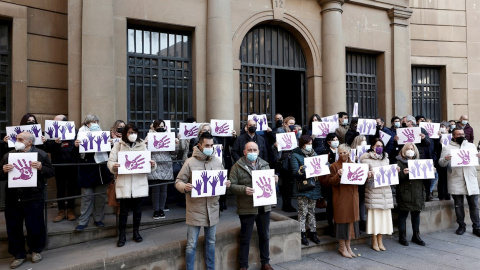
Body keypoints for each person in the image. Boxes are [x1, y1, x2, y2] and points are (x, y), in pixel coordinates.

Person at [175, 132, 229, 270]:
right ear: (199, 145)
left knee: (211, 242)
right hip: (195, 209)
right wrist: (184, 187)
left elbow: (221, 180)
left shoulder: (217, 161)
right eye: (207, 145)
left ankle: (210, 268)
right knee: (191, 244)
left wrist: (226, 183)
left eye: (212, 145)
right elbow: (178, 181)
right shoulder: (190, 162)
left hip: (213, 209)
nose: (210, 147)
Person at [0, 132, 55, 268]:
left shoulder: (41, 154)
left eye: (20, 139)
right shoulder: (9, 155)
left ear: (29, 142)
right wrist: (3, 170)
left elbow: (51, 172)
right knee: (13, 227)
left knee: (35, 225)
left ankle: (35, 251)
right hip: (13, 197)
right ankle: (18, 254)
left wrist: (41, 167)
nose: (16, 141)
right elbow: (0, 175)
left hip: (34, 196)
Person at [229, 141, 277, 270]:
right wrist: (243, 189)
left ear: (259, 151)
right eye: (249, 150)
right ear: (244, 152)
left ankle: (265, 263)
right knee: (245, 237)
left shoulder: (265, 165)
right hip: (247, 207)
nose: (252, 152)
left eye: (254, 150)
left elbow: (269, 185)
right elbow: (231, 186)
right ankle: (243, 265)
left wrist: (275, 181)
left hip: (263, 206)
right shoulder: (237, 167)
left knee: (264, 235)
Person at [108, 123, 156, 247]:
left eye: (134, 132)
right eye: (130, 132)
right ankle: (122, 235)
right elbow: (111, 161)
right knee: (123, 211)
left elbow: (148, 161)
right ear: (125, 133)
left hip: (139, 183)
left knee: (138, 210)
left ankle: (136, 233)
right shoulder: (118, 145)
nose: (132, 135)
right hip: (124, 184)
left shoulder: (142, 145)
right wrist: (114, 166)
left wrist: (152, 164)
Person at [321, 144, 370, 258]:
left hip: (353, 197)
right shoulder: (334, 166)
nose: (342, 154)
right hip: (341, 198)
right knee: (342, 222)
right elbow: (330, 182)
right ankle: (342, 247)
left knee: (351, 222)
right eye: (340, 152)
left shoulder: (354, 165)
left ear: (349, 153)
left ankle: (348, 246)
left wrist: (367, 176)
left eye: (344, 152)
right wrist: (338, 175)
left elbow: (360, 181)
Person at [438, 128, 480, 237]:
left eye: (462, 134)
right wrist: (446, 159)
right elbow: (441, 164)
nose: (461, 135)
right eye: (458, 134)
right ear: (453, 135)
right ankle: (461, 226)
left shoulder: (471, 146)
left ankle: (477, 227)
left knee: (474, 205)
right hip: (456, 179)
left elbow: (477, 162)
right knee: (458, 205)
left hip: (470, 179)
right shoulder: (447, 148)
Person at [74, 115, 112, 232]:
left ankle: (98, 219)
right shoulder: (80, 134)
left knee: (100, 197)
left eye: (96, 121)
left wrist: (110, 144)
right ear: (86, 124)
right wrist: (76, 146)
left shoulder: (103, 134)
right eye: (91, 122)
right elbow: (74, 155)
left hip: (101, 170)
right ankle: (83, 221)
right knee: (86, 197)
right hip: (87, 170)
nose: (94, 123)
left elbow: (110, 153)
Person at [360, 139, 394, 251]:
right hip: (374, 192)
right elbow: (364, 177)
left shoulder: (386, 159)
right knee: (375, 218)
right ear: (373, 147)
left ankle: (380, 240)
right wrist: (369, 175)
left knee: (384, 218)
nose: (380, 147)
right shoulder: (366, 159)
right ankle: (374, 239)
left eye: (381, 146)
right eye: (377, 145)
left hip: (385, 192)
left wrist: (394, 171)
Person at [45, 115, 79, 223]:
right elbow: (47, 148)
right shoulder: (51, 133)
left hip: (72, 164)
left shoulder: (75, 131)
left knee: (71, 188)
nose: (54, 123)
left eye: (56, 121)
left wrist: (76, 145)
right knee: (60, 188)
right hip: (58, 165)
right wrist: (55, 143)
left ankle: (70, 210)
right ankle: (61, 211)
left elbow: (79, 147)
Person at [291, 135, 322, 246]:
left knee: (311, 211)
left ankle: (313, 232)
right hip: (303, 187)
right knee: (302, 211)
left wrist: (324, 167)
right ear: (302, 144)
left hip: (314, 187)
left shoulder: (315, 154)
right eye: (307, 143)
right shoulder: (295, 155)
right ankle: (302, 233)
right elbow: (295, 173)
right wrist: (301, 170)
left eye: (311, 143)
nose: (309, 145)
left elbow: (319, 169)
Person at [396, 142, 427, 246]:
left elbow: (425, 179)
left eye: (412, 149)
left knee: (416, 213)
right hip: (405, 192)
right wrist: (403, 174)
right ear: (404, 150)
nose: (410, 150)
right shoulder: (398, 163)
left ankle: (416, 235)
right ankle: (402, 236)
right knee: (403, 214)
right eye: (408, 148)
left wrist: (431, 171)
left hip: (417, 192)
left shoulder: (420, 163)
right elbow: (395, 179)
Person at [147, 119, 178, 219]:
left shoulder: (168, 136)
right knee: (155, 189)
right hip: (155, 164)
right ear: (154, 127)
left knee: (164, 189)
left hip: (166, 165)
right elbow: (146, 151)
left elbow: (174, 153)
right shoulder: (149, 136)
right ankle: (156, 210)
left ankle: (161, 208)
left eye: (162, 126)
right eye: (158, 126)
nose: (161, 128)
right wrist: (146, 143)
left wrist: (176, 144)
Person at [320, 133, 339, 236]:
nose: (336, 141)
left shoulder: (340, 151)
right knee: (331, 205)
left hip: (339, 181)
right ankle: (331, 226)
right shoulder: (325, 152)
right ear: (328, 142)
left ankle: (336, 225)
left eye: (337, 139)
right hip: (329, 181)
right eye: (333, 140)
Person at [436, 122, 451, 200]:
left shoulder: (452, 136)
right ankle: (441, 195)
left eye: (443, 126)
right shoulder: (438, 137)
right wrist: (439, 141)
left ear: (448, 128)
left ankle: (448, 194)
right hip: (441, 160)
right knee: (442, 178)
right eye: (440, 126)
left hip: (451, 160)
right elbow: (435, 148)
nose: (442, 128)